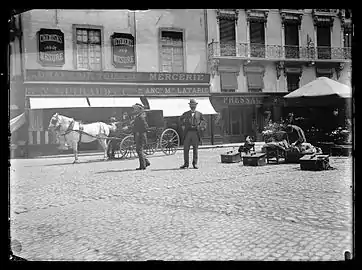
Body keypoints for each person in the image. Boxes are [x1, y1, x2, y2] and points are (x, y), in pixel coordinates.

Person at [179, 99, 206, 169]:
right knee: (186, 148)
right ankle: (186, 164)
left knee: (195, 149)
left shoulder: (199, 114)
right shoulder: (186, 114)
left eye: (194, 105)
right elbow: (180, 119)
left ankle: (195, 163)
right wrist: (183, 126)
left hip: (196, 133)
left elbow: (204, 122)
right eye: (191, 105)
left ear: (196, 105)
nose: (193, 106)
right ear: (190, 106)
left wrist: (200, 127)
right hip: (188, 133)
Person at [132, 103, 150, 170]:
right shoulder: (138, 116)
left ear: (139, 109)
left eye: (136, 109)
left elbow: (145, 127)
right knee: (139, 150)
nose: (134, 110)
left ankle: (142, 166)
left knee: (139, 150)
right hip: (138, 135)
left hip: (141, 136)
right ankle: (146, 162)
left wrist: (139, 132)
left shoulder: (141, 117)